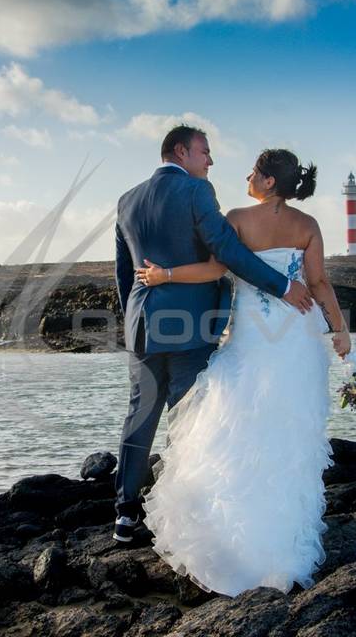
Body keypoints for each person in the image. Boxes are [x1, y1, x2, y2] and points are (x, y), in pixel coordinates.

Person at [133, 148, 350, 596]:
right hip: (297, 337)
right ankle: (279, 542)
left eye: (254, 171)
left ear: (269, 181)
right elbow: (319, 283)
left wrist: (166, 275)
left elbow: (216, 268)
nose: (247, 176)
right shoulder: (307, 226)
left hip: (254, 335)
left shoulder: (235, 218)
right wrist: (341, 331)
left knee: (239, 425)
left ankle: (234, 538)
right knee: (288, 433)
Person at [113, 127, 315, 545]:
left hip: (143, 325)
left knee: (140, 416)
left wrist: (133, 316)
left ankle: (126, 515)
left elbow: (122, 272)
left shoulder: (127, 199)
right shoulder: (196, 193)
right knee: (187, 417)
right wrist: (281, 286)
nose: (210, 161)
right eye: (205, 152)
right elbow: (228, 252)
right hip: (191, 326)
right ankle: (177, 513)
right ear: (182, 151)